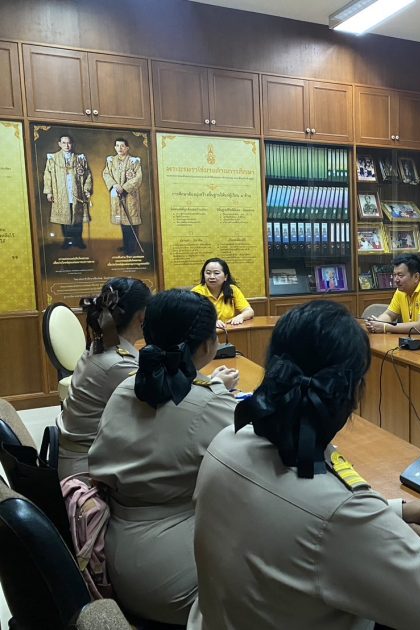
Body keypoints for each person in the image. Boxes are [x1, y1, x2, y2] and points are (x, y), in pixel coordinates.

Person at [187, 301, 420, 629]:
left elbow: (295, 515)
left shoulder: (225, 441)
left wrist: (396, 511)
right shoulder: (338, 511)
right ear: (354, 392)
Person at [88, 289, 240, 624]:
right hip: (173, 575)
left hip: (118, 554)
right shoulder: (209, 402)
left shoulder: (126, 387)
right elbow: (262, 453)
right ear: (207, 345)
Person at [56, 278, 151, 479]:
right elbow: (162, 409)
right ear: (142, 316)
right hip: (88, 474)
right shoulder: (119, 364)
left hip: (80, 455)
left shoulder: (100, 346)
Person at [43, 133, 92, 250]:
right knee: (65, 218)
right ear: (59, 144)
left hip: (76, 193)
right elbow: (47, 176)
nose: (67, 145)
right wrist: (49, 192)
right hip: (61, 193)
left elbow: (87, 175)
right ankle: (68, 240)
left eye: (69, 143)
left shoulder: (80, 158)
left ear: (72, 144)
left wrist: (86, 189)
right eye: (64, 143)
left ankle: (78, 241)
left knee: (77, 217)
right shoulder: (53, 158)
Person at [103, 137, 143, 255]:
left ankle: (132, 247)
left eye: (122, 146)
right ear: (115, 147)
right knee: (123, 221)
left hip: (130, 195)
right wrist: (114, 185)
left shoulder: (134, 161)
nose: (119, 148)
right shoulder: (111, 161)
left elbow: (138, 178)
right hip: (117, 194)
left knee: (131, 221)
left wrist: (124, 188)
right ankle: (126, 246)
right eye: (117, 146)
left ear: (127, 148)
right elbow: (106, 174)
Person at [191, 257, 254, 328]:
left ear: (225, 277)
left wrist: (241, 316)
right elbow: (191, 316)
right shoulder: (196, 292)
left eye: (216, 273)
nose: (212, 277)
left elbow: (249, 311)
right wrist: (211, 321)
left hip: (228, 330)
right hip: (204, 331)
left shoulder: (232, 290)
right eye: (208, 273)